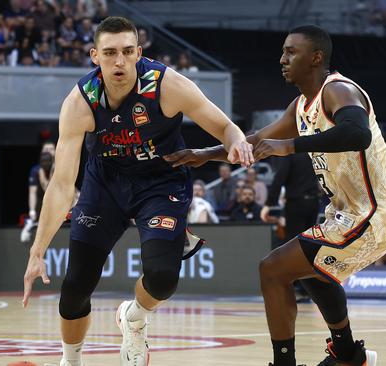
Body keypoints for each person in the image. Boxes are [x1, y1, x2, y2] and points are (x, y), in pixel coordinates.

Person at [165, 25, 386, 366]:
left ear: (316, 58)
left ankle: (287, 363)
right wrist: (206, 154)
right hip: (348, 214)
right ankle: (349, 354)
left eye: (291, 52)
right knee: (312, 273)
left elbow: (357, 133)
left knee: (273, 269)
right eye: (283, 51)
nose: (282, 59)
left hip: (376, 213)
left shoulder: (337, 90)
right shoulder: (301, 106)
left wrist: (290, 145)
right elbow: (254, 142)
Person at [20, 16, 253, 366]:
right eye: (110, 53)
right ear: (94, 56)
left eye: (128, 52)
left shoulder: (166, 85)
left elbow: (224, 125)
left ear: (138, 52)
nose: (119, 61)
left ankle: (134, 318)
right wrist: (37, 251)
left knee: (162, 279)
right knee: (75, 288)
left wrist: (237, 142)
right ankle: (70, 360)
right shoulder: (80, 102)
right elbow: (62, 184)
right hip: (106, 183)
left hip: (161, 181)